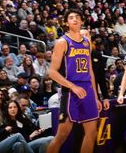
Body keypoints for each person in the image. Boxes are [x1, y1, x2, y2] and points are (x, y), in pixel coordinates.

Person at [46, 10, 107, 153]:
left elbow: (90, 70)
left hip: (88, 90)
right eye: (71, 18)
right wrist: (72, 87)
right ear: (66, 23)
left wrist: (96, 96)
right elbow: (52, 72)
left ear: (81, 22)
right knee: (62, 135)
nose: (74, 19)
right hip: (70, 91)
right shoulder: (62, 42)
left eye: (77, 17)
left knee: (92, 133)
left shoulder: (86, 42)